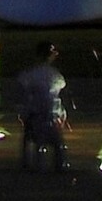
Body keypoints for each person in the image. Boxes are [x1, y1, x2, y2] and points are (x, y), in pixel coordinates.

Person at [15, 39, 69, 172]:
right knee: (58, 145)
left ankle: (31, 163)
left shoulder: (30, 75)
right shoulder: (54, 76)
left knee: (34, 141)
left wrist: (25, 114)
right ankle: (60, 165)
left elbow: (25, 97)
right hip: (50, 115)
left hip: (36, 115)